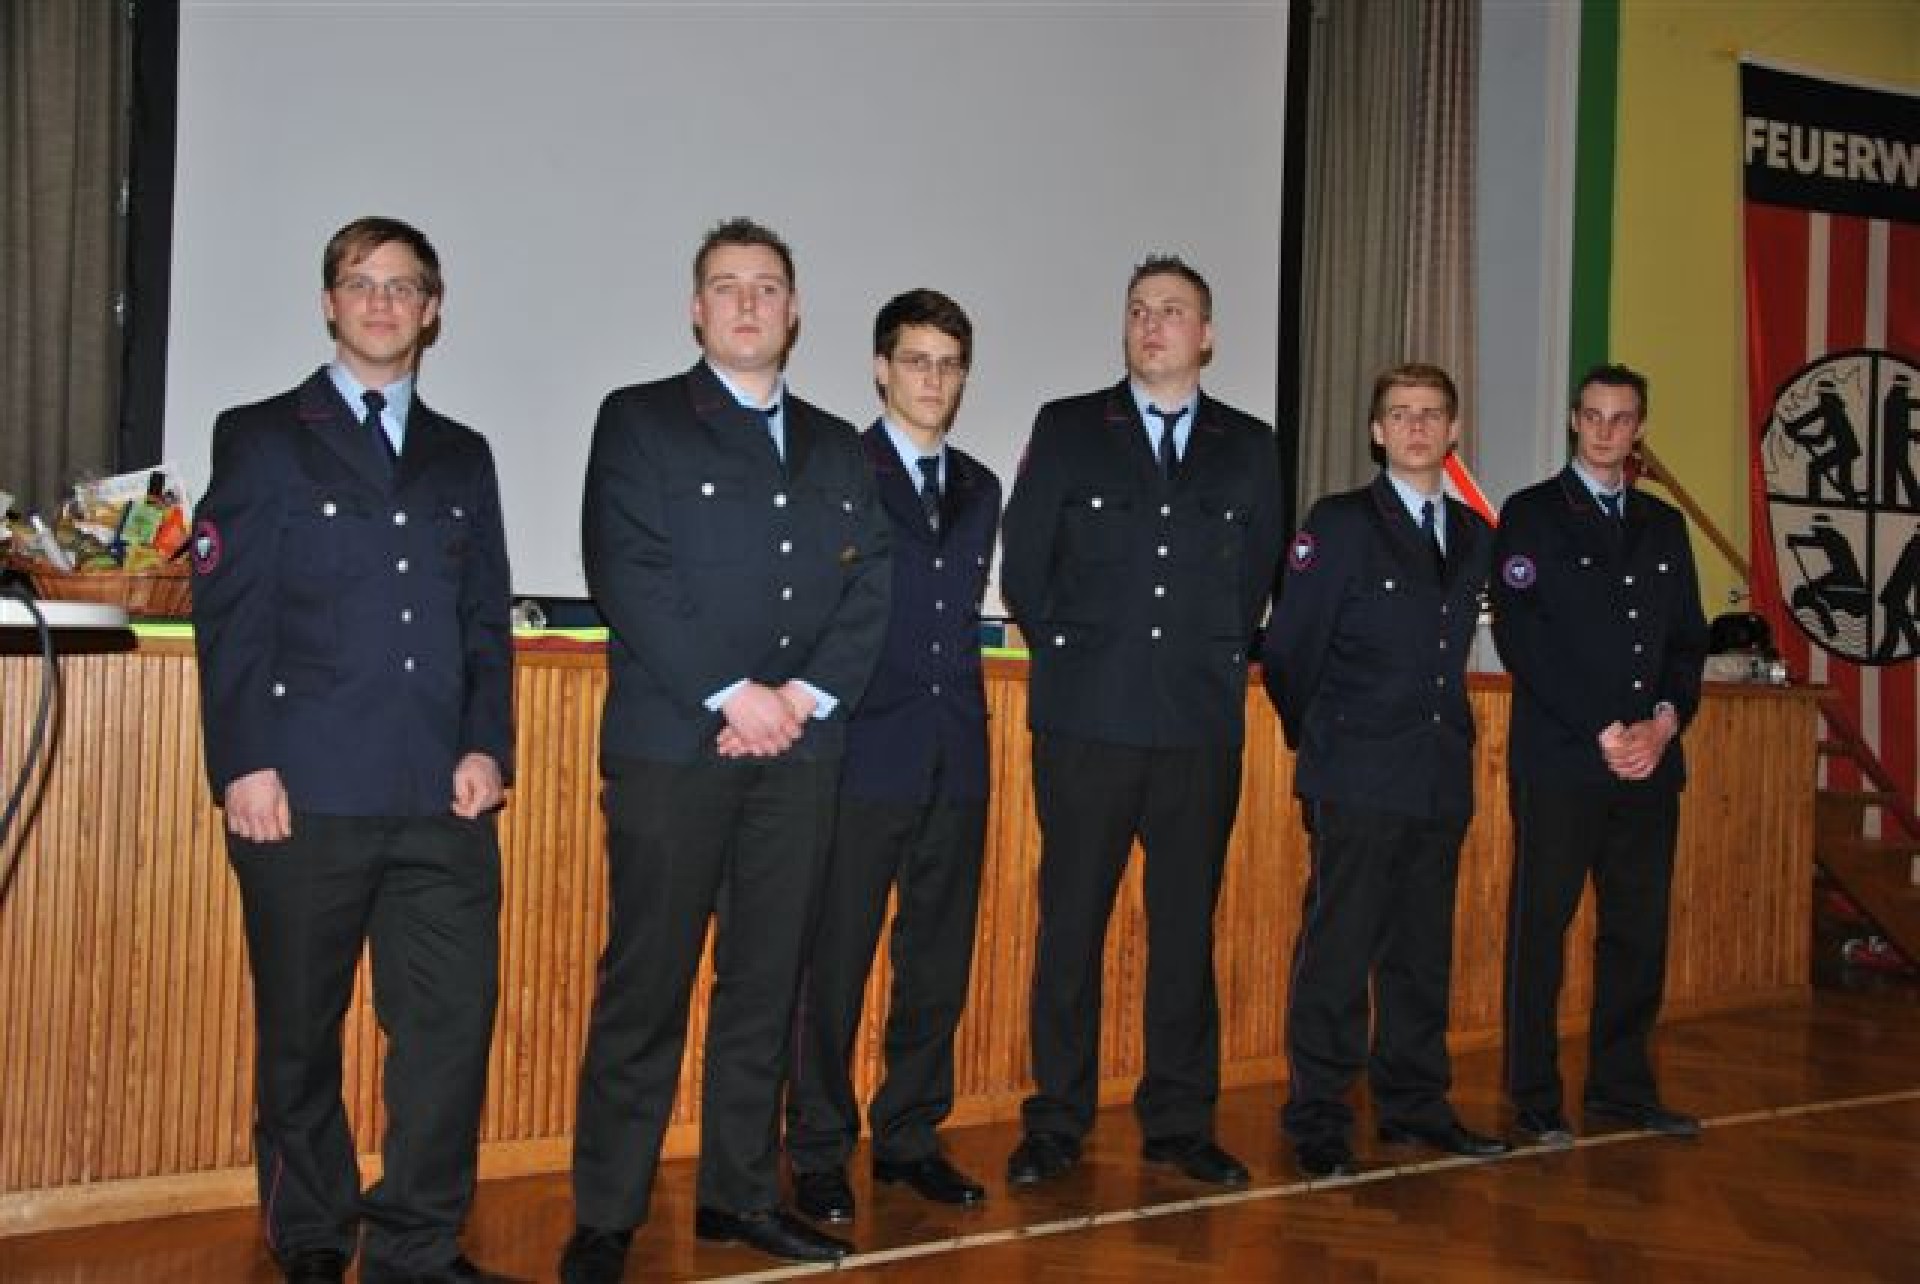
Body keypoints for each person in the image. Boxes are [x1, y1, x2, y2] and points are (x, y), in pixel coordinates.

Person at [560, 218, 890, 1281]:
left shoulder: (840, 446)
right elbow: (627, 570)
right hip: (675, 748)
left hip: (800, 754)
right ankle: (607, 1215)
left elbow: (870, 587)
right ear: (696, 310)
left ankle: (739, 1197)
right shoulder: (641, 421)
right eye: (727, 286)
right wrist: (735, 694)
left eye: (767, 287)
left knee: (765, 986)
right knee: (646, 985)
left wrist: (798, 699)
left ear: (795, 313)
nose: (749, 303)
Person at [189, 217, 515, 1284]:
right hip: (305, 791)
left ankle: (419, 1239)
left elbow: (482, 620)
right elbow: (231, 615)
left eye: (403, 286)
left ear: (432, 310)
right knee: (301, 1031)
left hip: (441, 800)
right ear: (330, 303)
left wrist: (486, 746)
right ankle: (314, 1233)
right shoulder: (262, 436)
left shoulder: (462, 454)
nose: (382, 302)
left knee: (448, 1031)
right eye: (361, 283)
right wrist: (244, 761)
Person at [998, 255, 1285, 1190]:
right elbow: (1026, 566)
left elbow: (1254, 578)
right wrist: (1082, 662)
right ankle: (1056, 1121)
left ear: (1207, 335)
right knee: (1070, 930)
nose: (1153, 323)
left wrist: (1201, 658)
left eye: (1173, 310)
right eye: (1138, 309)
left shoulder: (1250, 445)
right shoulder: (1070, 427)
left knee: (1185, 933)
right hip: (1087, 723)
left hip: (1198, 727)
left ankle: (1179, 1122)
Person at [784, 289, 1001, 1223]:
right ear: (881, 369)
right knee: (832, 965)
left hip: (956, 758)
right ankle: (819, 1147)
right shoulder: (840, 469)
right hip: (860, 755)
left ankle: (910, 1134)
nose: (932, 379)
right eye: (916, 360)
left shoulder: (981, 486)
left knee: (936, 964)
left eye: (948, 364)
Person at [1262, 363, 1507, 1179]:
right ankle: (1319, 1117)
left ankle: (1414, 1104)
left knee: (1421, 952)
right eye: (1400, 414)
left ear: (1453, 430)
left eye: (1431, 414)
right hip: (1356, 774)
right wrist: (1323, 737)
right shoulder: (1339, 523)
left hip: (1438, 774)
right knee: (1339, 950)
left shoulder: (1472, 534)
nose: (1416, 427)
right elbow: (1290, 650)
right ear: (1376, 431)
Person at [1491, 363, 1709, 1148]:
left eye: (1620, 418)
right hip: (1562, 761)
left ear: (1639, 428)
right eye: (1592, 416)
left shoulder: (1663, 525)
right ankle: (1534, 1096)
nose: (1605, 430)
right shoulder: (1531, 514)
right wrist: (1604, 728)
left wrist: (1663, 723)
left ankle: (1621, 1089)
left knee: (1637, 933)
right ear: (1573, 421)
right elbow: (1523, 637)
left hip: (1649, 764)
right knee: (1540, 931)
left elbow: (1686, 640)